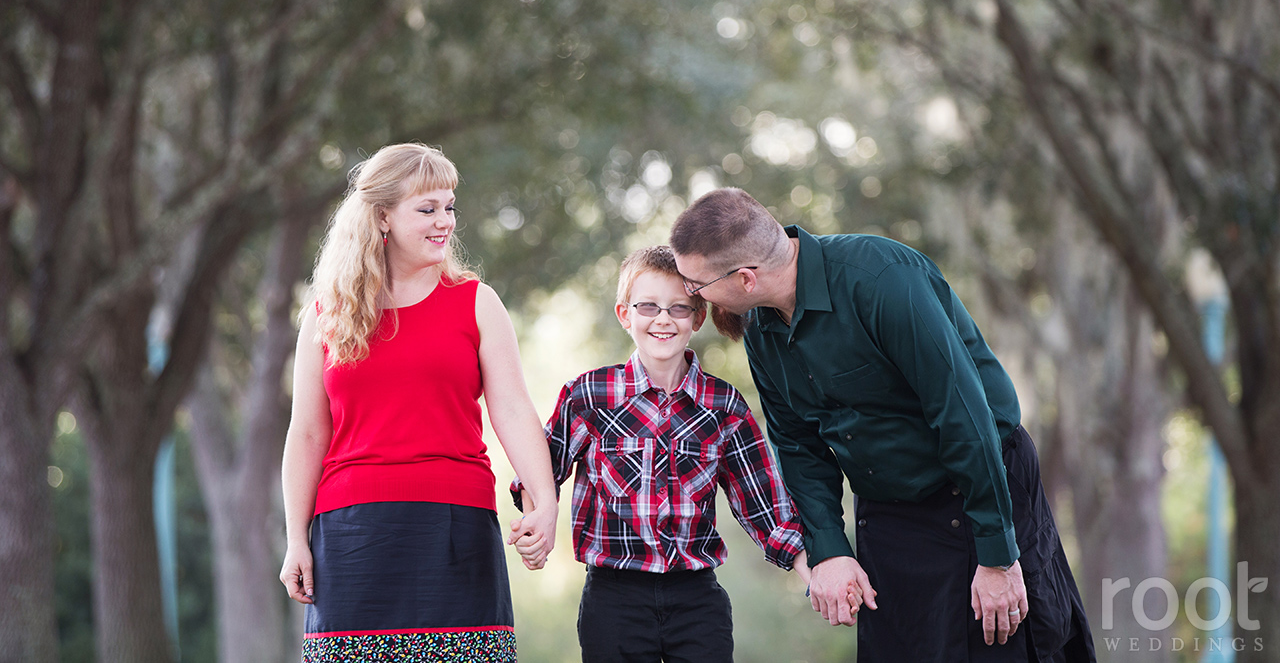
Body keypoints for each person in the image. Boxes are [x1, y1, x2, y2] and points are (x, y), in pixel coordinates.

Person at [670, 188, 1095, 662]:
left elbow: (962, 414)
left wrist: (997, 557)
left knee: (1011, 648)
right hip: (889, 513)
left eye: (694, 284)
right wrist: (829, 549)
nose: (690, 295)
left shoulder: (882, 278)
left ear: (745, 278)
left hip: (981, 486)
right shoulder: (759, 328)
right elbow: (796, 444)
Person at [279, 143, 557, 663]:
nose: (445, 222)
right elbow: (308, 433)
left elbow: (513, 410)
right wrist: (297, 538)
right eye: (426, 209)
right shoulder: (325, 314)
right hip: (351, 537)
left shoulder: (476, 300)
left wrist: (544, 499)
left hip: (456, 530)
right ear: (382, 216)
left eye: (449, 207)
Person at [510, 245, 811, 663]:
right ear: (625, 315)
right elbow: (539, 468)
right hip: (614, 598)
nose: (663, 319)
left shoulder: (723, 406)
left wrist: (813, 572)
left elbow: (763, 503)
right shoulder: (590, 396)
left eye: (679, 308)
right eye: (648, 306)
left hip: (697, 599)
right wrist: (536, 520)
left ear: (699, 317)